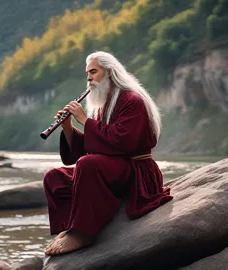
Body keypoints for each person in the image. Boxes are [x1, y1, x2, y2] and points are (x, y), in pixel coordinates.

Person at [43, 51, 173, 256]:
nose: (89, 78)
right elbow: (91, 147)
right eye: (87, 74)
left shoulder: (132, 100)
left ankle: (84, 233)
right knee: (54, 177)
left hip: (135, 170)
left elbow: (123, 142)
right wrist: (67, 127)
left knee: (87, 165)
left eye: (93, 72)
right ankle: (71, 226)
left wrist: (85, 121)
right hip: (111, 170)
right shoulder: (102, 105)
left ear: (110, 73)